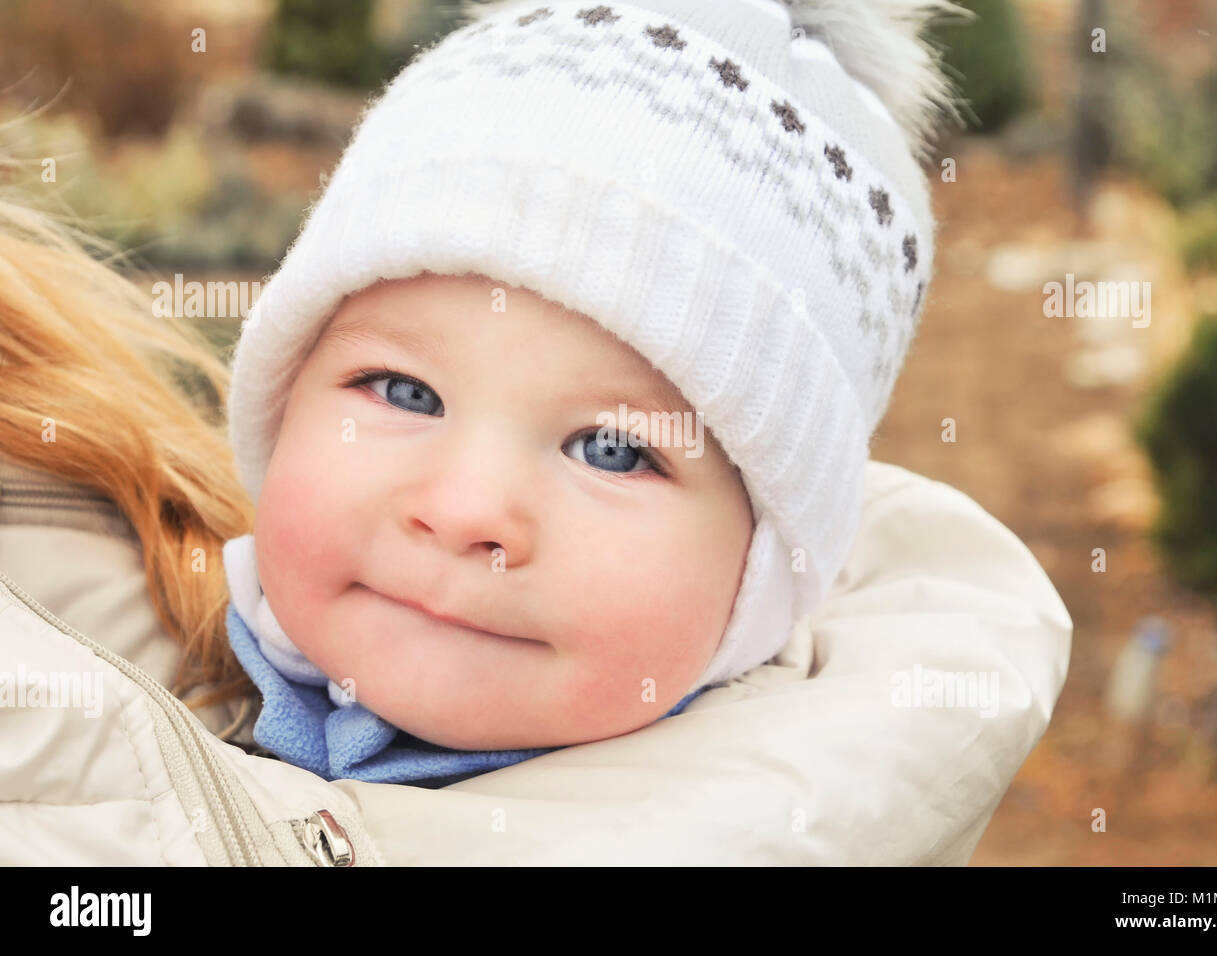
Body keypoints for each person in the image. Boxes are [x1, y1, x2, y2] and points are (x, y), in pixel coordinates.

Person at [0, 0, 1073, 865]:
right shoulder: (177, 660)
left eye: (612, 448)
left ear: (762, 582)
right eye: (401, 390)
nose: (465, 508)